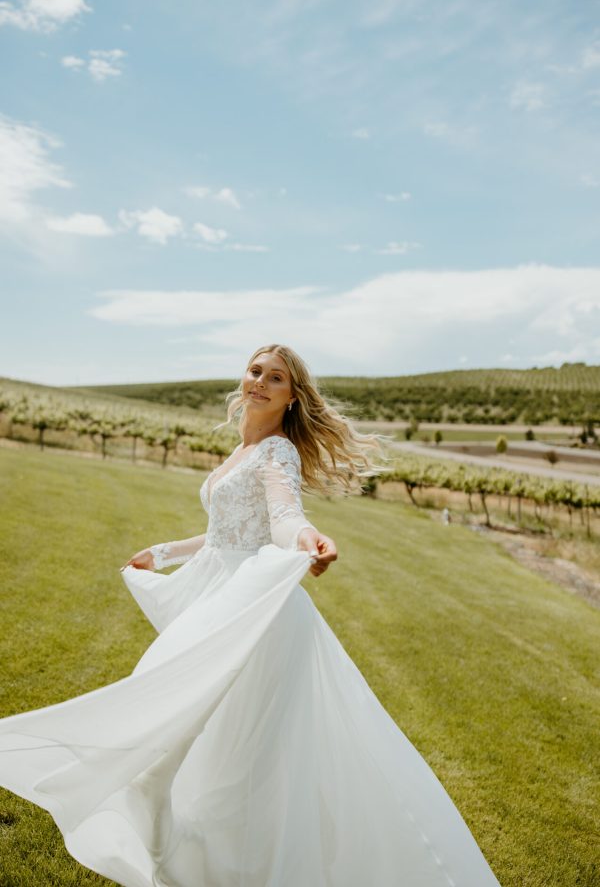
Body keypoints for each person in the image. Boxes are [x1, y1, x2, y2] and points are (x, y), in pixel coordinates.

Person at [0, 344, 501, 886]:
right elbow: (226, 532)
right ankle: (165, 817)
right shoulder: (240, 451)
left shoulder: (278, 454)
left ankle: (167, 818)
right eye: (255, 371)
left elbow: (283, 516)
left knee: (192, 710)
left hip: (251, 604)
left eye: (276, 377)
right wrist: (164, 552)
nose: (260, 382)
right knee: (193, 712)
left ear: (291, 398)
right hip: (220, 589)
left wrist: (308, 539)